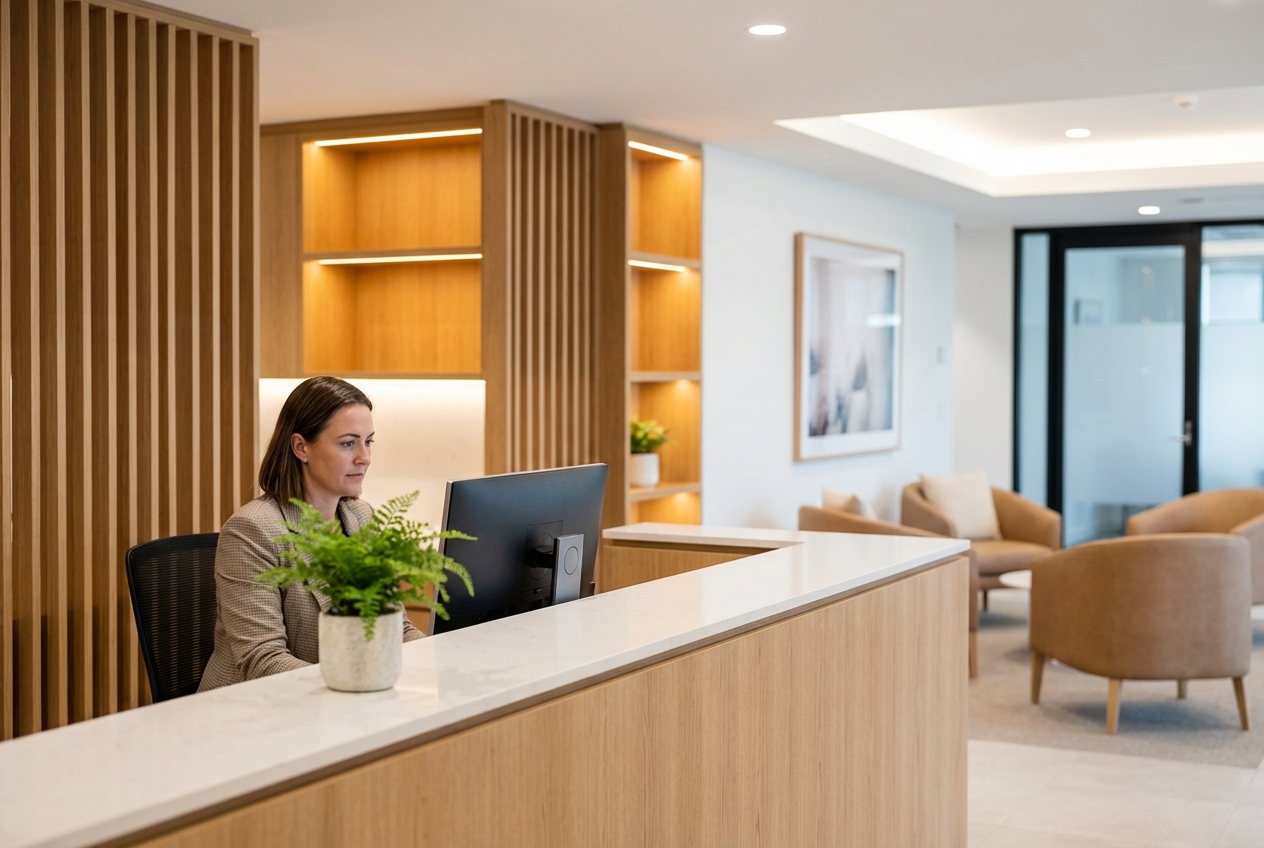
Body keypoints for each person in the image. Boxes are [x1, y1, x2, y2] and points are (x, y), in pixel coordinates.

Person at [198, 376, 424, 691]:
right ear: (301, 447)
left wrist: (438, 664)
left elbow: (396, 629)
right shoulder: (252, 530)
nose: (365, 457)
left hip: (340, 703)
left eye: (368, 441)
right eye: (348, 443)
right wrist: (357, 685)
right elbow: (263, 660)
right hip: (255, 715)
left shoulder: (362, 518)